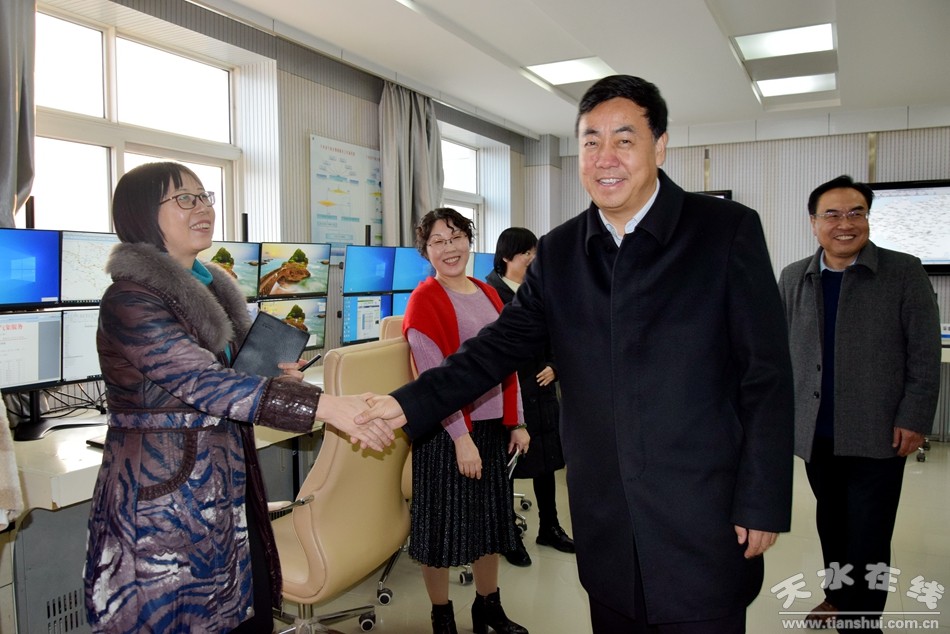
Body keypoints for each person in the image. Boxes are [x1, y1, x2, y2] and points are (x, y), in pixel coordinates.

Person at [357, 75, 795, 633]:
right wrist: (406, 404)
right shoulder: (562, 250)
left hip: (703, 507)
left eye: (624, 140)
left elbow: (765, 377)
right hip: (605, 513)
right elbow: (496, 347)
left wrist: (762, 498)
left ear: (660, 146)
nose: (605, 157)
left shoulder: (724, 231)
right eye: (591, 141)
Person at [83, 162, 389, 633]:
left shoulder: (209, 292)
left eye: (204, 196)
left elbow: (231, 380)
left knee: (246, 612)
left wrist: (281, 383)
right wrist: (326, 406)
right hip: (164, 507)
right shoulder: (130, 299)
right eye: (184, 199)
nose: (203, 208)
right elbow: (201, 382)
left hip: (224, 489)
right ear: (142, 213)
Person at [777, 175, 940, 632]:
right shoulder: (794, 277)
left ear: (868, 218)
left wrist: (914, 417)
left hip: (878, 431)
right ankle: (837, 598)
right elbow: (778, 352)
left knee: (869, 532)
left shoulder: (902, 271)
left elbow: (924, 352)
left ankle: (863, 620)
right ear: (814, 222)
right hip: (817, 432)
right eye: (832, 214)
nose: (844, 224)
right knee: (831, 521)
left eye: (856, 213)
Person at [403, 207, 530, 634]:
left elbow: (508, 360)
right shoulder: (424, 301)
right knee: (440, 532)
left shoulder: (488, 292)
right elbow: (433, 379)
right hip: (446, 434)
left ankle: (488, 607)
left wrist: (517, 421)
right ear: (426, 251)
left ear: (469, 241)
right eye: (437, 241)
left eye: (456, 237)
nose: (449, 248)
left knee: (490, 525)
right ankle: (442, 616)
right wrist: (460, 437)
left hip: (490, 429)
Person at [485, 227, 573, 567]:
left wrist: (554, 366)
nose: (533, 260)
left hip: (542, 389)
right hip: (512, 392)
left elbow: (558, 335)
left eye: (535, 254)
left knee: (546, 462)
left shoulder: (538, 289)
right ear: (508, 256)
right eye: (527, 254)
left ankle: (550, 527)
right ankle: (507, 535)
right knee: (508, 466)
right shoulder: (491, 294)